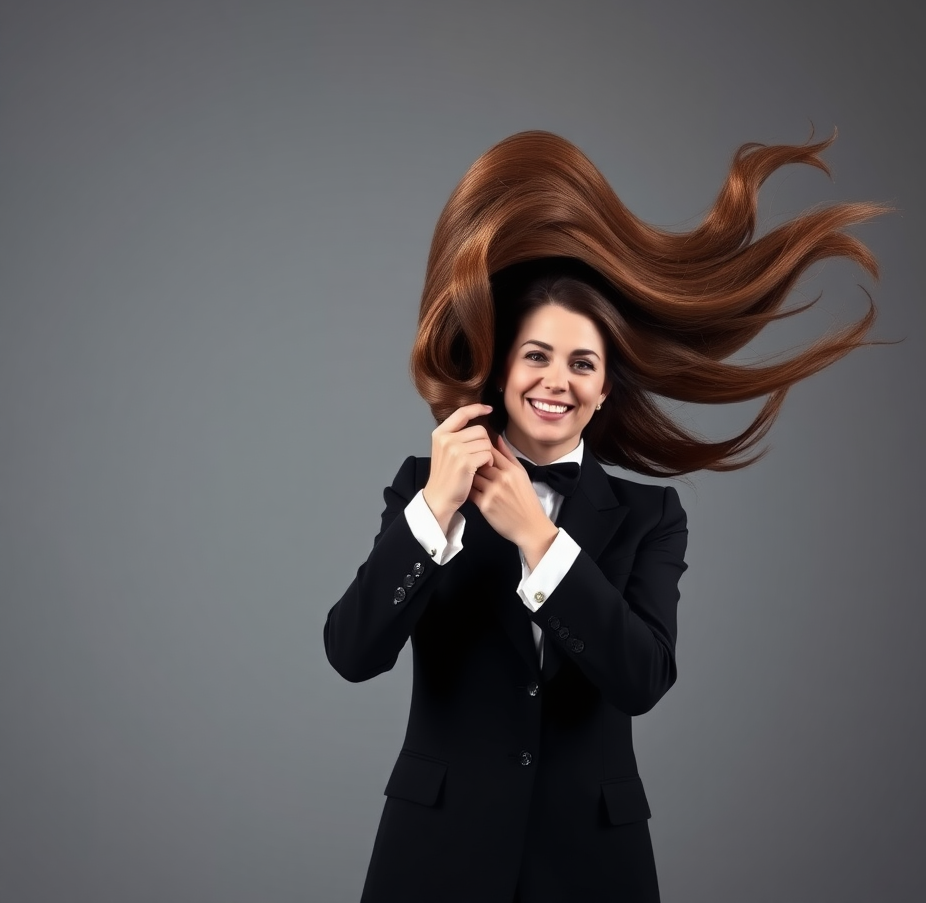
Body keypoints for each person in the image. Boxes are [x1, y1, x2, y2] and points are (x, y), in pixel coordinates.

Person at [324, 130, 886, 902]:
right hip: (437, 856)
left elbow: (641, 677)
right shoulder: (424, 486)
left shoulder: (652, 517)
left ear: (605, 389)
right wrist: (434, 511)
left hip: (590, 864)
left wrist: (538, 539)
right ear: (501, 367)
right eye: (537, 356)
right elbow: (353, 652)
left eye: (582, 363)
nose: (557, 380)